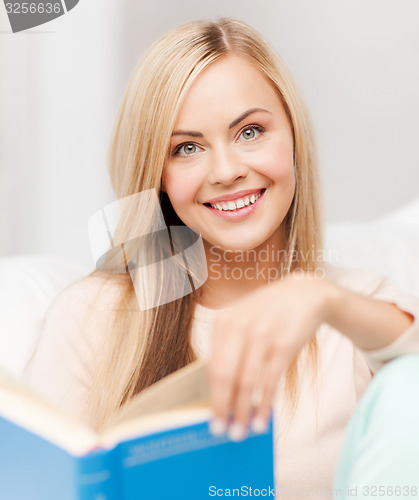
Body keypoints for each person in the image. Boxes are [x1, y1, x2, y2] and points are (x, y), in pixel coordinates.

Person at [24, 18, 419, 497]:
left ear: (292, 136)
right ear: (158, 176)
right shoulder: (94, 316)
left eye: (250, 131)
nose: (228, 171)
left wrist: (320, 298)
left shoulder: (355, 308)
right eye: (187, 148)